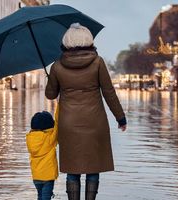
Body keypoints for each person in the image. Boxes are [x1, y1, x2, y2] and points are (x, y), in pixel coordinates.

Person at [45, 23, 127, 200]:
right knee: (93, 167)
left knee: (72, 169)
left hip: (68, 124)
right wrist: (120, 118)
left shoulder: (57, 66)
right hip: (94, 121)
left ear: (66, 41)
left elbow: (50, 95)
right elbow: (109, 92)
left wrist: (51, 78)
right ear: (89, 39)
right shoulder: (98, 62)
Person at [26, 106, 59, 200]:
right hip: (47, 177)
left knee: (40, 196)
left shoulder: (29, 138)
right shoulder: (49, 139)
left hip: (36, 177)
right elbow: (57, 125)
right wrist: (60, 105)